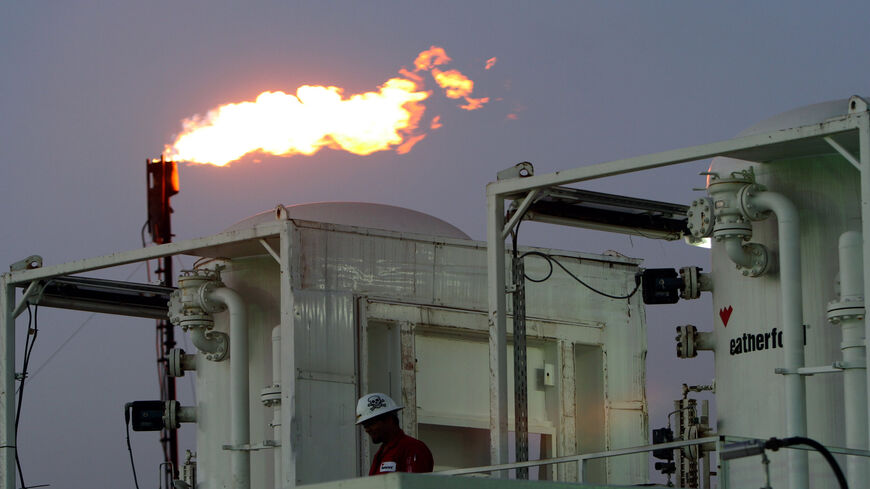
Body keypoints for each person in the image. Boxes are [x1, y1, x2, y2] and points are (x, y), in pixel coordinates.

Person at [356, 393, 434, 475]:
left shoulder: (412, 448)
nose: (367, 430)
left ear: (389, 419)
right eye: (364, 426)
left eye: (370, 424)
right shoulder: (380, 454)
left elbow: (415, 484)